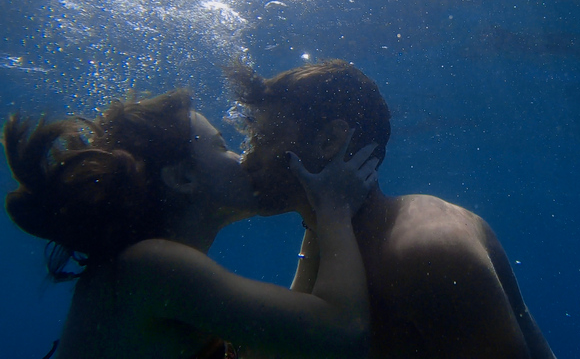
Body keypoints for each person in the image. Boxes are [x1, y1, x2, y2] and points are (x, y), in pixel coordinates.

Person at [3, 89, 378, 359]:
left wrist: (316, 222)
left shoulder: (145, 265)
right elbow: (341, 334)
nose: (240, 157)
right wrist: (333, 213)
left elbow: (277, 344)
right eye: (219, 146)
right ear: (183, 178)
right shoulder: (152, 265)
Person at [227, 59, 558, 359]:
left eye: (264, 138)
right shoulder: (329, 235)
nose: (247, 160)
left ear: (330, 142)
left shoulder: (429, 248)